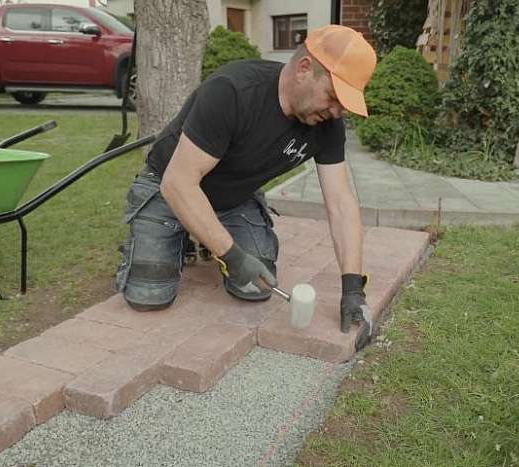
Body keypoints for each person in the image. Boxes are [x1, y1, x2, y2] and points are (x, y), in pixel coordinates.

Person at [115, 25, 377, 339]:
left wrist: (352, 288)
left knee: (255, 286)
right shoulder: (233, 91)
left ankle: (200, 234)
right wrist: (232, 256)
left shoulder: (327, 123)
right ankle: (173, 235)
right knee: (148, 295)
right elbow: (178, 183)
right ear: (305, 69)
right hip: (168, 187)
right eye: (333, 97)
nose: (336, 111)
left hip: (232, 197)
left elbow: (341, 203)